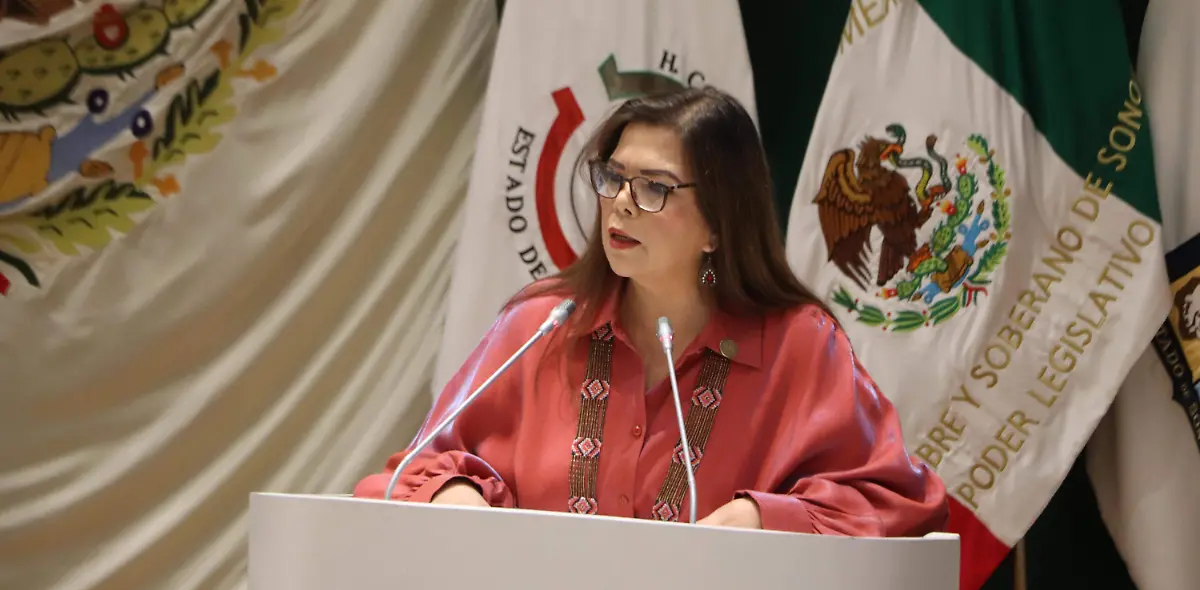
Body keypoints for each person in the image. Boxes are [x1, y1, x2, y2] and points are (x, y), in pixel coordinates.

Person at [353, 86, 948, 536]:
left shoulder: (797, 345)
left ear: (719, 223)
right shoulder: (539, 327)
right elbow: (408, 471)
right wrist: (454, 494)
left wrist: (760, 516)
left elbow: (898, 499)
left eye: (654, 188)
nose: (620, 205)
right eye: (613, 178)